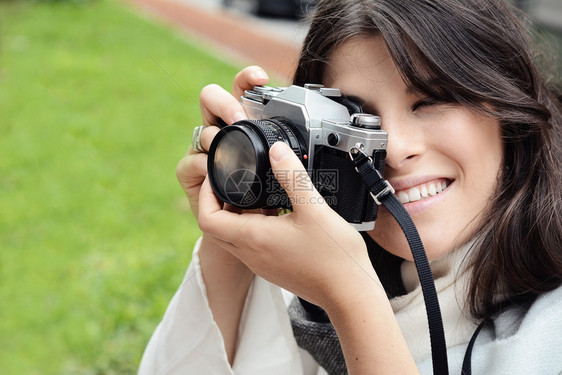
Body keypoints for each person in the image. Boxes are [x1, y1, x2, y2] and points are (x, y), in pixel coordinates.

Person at [138, 0, 562, 374]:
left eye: (431, 100)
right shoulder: (315, 260)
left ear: (510, 107)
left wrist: (350, 298)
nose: (394, 150)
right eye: (357, 121)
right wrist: (232, 227)